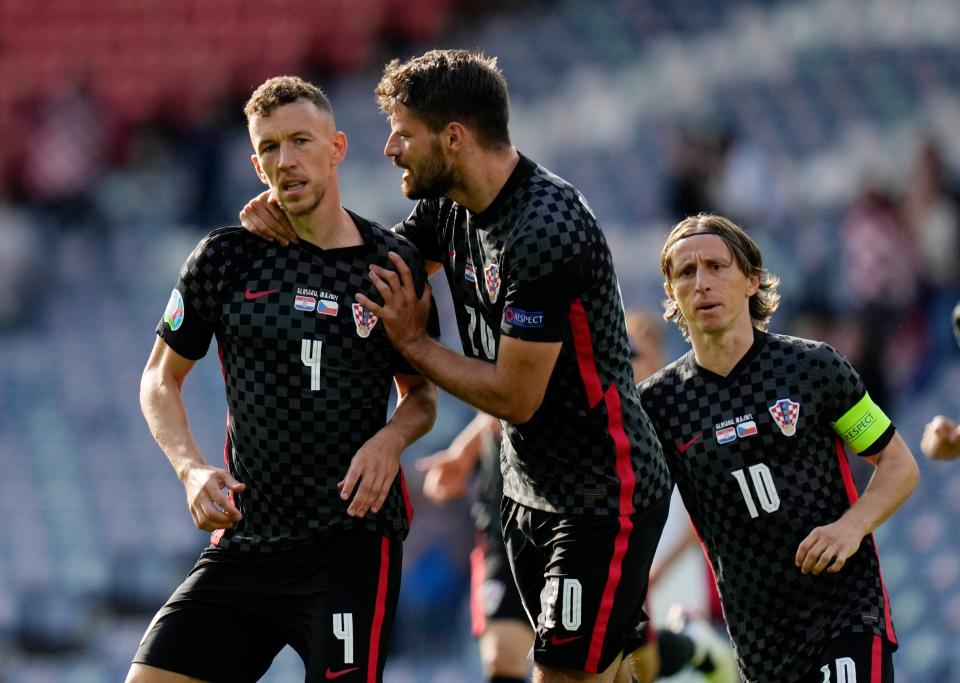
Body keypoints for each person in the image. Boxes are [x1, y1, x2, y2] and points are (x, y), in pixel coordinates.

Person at [242, 50, 672, 683]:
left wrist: (414, 346)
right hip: (524, 489)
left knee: (560, 674)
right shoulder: (448, 207)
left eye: (403, 132)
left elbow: (516, 396)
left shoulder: (544, 227)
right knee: (603, 675)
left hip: (602, 491)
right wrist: (295, 216)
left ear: (454, 137)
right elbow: (367, 270)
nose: (388, 148)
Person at [126, 76, 438, 683]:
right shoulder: (225, 258)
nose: (285, 160)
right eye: (269, 147)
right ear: (254, 161)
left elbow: (421, 393)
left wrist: (390, 440)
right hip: (248, 541)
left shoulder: (390, 265)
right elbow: (159, 379)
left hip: (348, 545)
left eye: (300, 141)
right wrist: (190, 468)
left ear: (337, 147)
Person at [637, 214, 920, 683]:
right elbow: (632, 510)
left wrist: (850, 528)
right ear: (671, 294)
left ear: (751, 280)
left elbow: (898, 465)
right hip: (759, 642)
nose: (702, 283)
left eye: (715, 266)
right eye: (686, 273)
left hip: (844, 612)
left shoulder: (813, 368)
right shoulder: (659, 404)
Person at [417, 310, 734, 683]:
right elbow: (507, 393)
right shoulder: (516, 311)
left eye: (636, 357)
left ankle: (694, 645)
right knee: (504, 657)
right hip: (508, 518)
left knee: (626, 666)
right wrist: (463, 452)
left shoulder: (642, 419)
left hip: (582, 522)